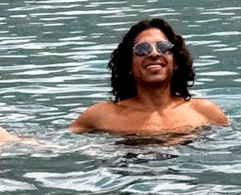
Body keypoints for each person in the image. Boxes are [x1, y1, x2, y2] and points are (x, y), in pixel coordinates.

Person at [70, 17, 229, 137]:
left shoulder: (205, 112)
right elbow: (58, 143)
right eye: (142, 48)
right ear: (129, 66)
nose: (154, 53)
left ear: (175, 62)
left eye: (163, 47)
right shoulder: (102, 116)